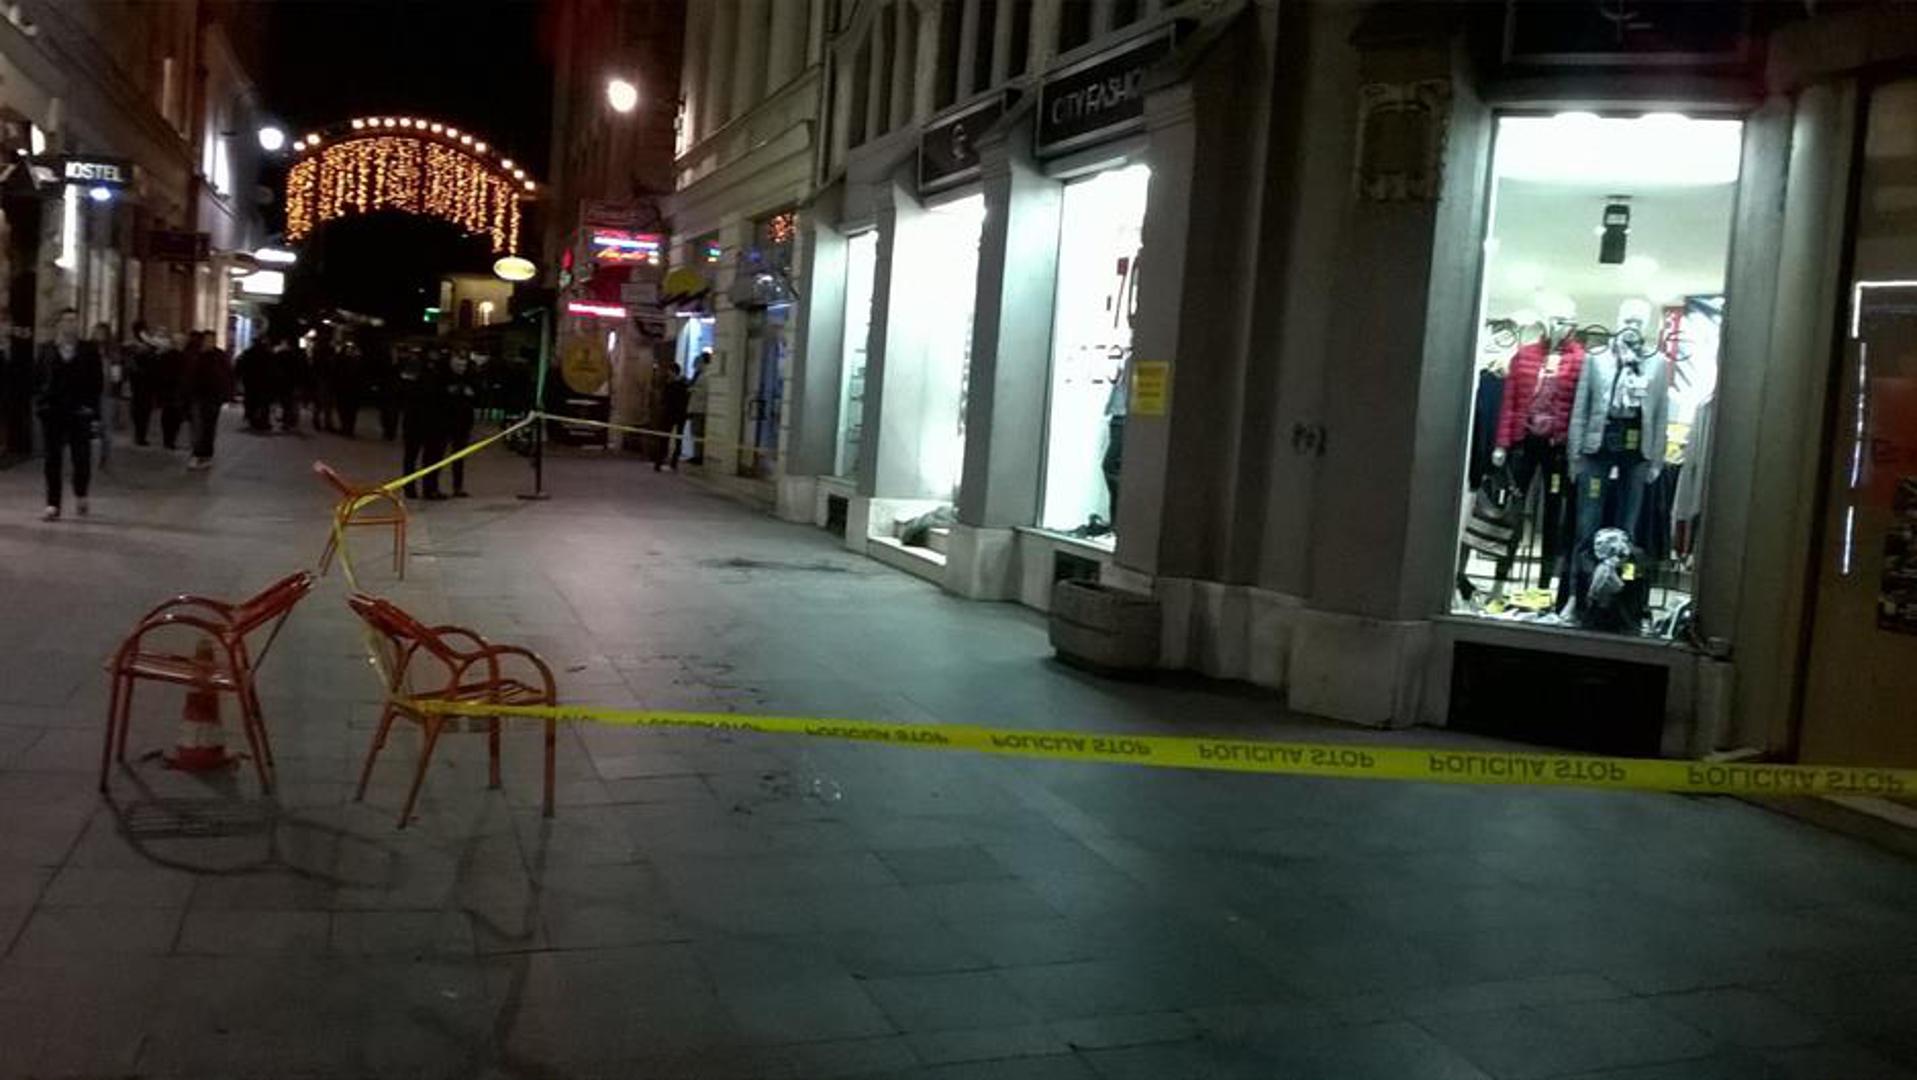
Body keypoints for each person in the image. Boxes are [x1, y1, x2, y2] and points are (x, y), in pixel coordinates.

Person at [33, 309, 102, 519]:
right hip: (52, 411)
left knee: (81, 457)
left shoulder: (88, 350)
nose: (71, 324)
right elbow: (38, 377)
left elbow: (97, 381)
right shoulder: (47, 349)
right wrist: (41, 403)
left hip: (79, 411)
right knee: (52, 459)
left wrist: (92, 409)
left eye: (74, 320)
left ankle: (81, 493)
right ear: (59, 324)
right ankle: (53, 503)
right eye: (67, 320)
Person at [398, 348, 449, 499]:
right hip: (416, 419)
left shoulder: (441, 369)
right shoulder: (415, 367)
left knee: (431, 457)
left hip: (433, 421)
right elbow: (406, 390)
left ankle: (430, 488)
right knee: (412, 456)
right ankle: (411, 488)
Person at [184, 331, 232, 470]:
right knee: (198, 426)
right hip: (197, 396)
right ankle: (197, 454)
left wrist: (226, 395)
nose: (209, 343)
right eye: (207, 340)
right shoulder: (195, 355)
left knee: (209, 428)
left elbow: (227, 376)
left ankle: (206, 455)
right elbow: (188, 376)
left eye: (212, 340)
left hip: (213, 398)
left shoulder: (220, 356)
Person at [443, 352, 480, 496]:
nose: (461, 368)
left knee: (459, 455)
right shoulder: (445, 378)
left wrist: (471, 394)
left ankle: (457, 486)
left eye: (463, 365)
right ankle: (432, 486)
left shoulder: (470, 379)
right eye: (458, 365)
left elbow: (478, 397)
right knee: (438, 455)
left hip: (463, 422)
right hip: (446, 420)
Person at [653, 360, 690, 472]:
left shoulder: (670, 384)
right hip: (680, 414)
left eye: (670, 371)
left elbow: (664, 399)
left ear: (673, 372)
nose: (668, 373)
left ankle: (660, 461)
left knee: (665, 437)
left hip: (670, 413)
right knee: (676, 438)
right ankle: (671, 461)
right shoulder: (684, 385)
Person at [91, 321, 119, 468]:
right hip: (90, 393)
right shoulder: (88, 350)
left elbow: (116, 376)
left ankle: (105, 456)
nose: (99, 335)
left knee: (106, 428)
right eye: (97, 332)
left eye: (102, 333)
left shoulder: (112, 353)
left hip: (106, 394)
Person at [125, 322, 157, 445]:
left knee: (144, 410)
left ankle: (141, 435)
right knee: (140, 410)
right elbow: (130, 364)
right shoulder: (132, 346)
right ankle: (139, 435)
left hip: (145, 383)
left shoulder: (148, 345)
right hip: (139, 383)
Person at [155, 331, 188, 450]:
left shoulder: (167, 356)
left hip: (170, 391)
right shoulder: (182, 357)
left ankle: (168, 440)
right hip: (175, 392)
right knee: (174, 417)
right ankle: (170, 440)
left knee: (169, 416)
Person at [235, 336, 275, 431]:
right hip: (265, 383)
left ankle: (253, 419)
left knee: (252, 401)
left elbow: (240, 366)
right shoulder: (268, 354)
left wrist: (239, 378)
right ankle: (263, 420)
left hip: (251, 382)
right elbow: (273, 369)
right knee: (264, 403)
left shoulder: (248, 353)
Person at [275, 337, 307, 431]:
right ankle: (290, 419)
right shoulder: (298, 355)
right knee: (291, 402)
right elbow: (301, 370)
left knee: (286, 402)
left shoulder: (281, 354)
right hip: (292, 382)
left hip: (284, 382)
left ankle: (287, 419)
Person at [685, 351, 710, 465]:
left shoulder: (706, 376)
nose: (696, 365)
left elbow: (704, 392)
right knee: (695, 433)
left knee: (698, 433)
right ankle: (696, 454)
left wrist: (693, 389)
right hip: (696, 408)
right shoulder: (700, 375)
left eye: (698, 362)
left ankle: (699, 456)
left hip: (700, 409)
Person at [334, 339, 363, 437]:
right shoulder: (356, 361)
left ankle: (347, 428)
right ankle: (349, 428)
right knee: (350, 410)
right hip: (351, 389)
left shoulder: (343, 360)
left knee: (346, 410)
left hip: (346, 389)